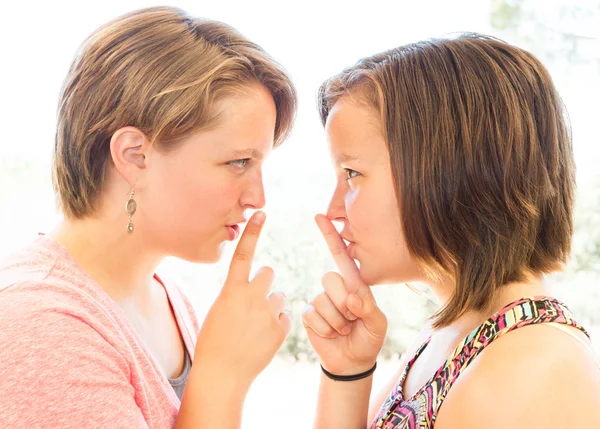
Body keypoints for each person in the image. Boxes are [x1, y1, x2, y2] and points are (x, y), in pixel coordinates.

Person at [0, 6, 296, 429]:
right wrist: (221, 379)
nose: (257, 197)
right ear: (135, 155)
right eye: (237, 162)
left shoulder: (170, 300)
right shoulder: (37, 328)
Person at [303, 33, 600, 429]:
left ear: (447, 171)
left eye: (352, 174)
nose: (334, 210)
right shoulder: (450, 335)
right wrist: (347, 372)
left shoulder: (526, 372)